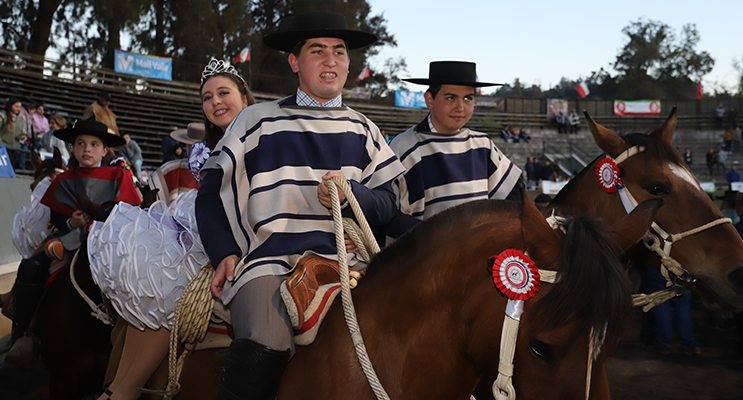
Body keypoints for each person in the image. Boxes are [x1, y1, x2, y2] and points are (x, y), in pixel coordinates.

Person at [195, 12, 404, 400]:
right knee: (266, 343)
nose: (331, 61)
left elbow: (388, 206)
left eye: (339, 52)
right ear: (294, 62)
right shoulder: (256, 120)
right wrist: (223, 250)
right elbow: (209, 194)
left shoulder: (365, 129)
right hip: (269, 261)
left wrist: (350, 194)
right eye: (317, 51)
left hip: (351, 265)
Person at [89, 58, 256, 400]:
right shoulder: (208, 151)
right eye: (207, 98)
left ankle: (119, 392)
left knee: (161, 282)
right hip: (210, 231)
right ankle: (118, 390)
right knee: (155, 284)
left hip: (245, 232)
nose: (215, 102)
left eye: (223, 93)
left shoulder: (264, 137)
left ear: (245, 96)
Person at [6, 119, 140, 366]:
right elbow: (56, 216)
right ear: (74, 149)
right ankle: (24, 334)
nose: (87, 149)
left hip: (111, 240)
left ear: (104, 150)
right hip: (69, 237)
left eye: (93, 144)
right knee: (30, 266)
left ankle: (142, 332)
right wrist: (71, 223)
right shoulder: (63, 178)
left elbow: (129, 210)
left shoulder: (119, 175)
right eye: (81, 144)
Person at [385, 61, 522, 235]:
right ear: (429, 100)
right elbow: (385, 213)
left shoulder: (483, 144)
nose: (460, 107)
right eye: (451, 98)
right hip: (424, 256)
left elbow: (514, 191)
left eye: (468, 98)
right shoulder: (405, 146)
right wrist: (440, 239)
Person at [727, 190, 743, 359]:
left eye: (741, 205)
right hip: (742, 280)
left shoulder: (739, 229)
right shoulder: (737, 227)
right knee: (742, 317)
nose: (737, 208)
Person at [0, 97, 28, 170]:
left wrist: (22, 137)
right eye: (16, 106)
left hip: (15, 148)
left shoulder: (20, 118)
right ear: (10, 106)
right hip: (3, 148)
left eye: (20, 107)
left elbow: (23, 132)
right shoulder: (3, 115)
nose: (18, 109)